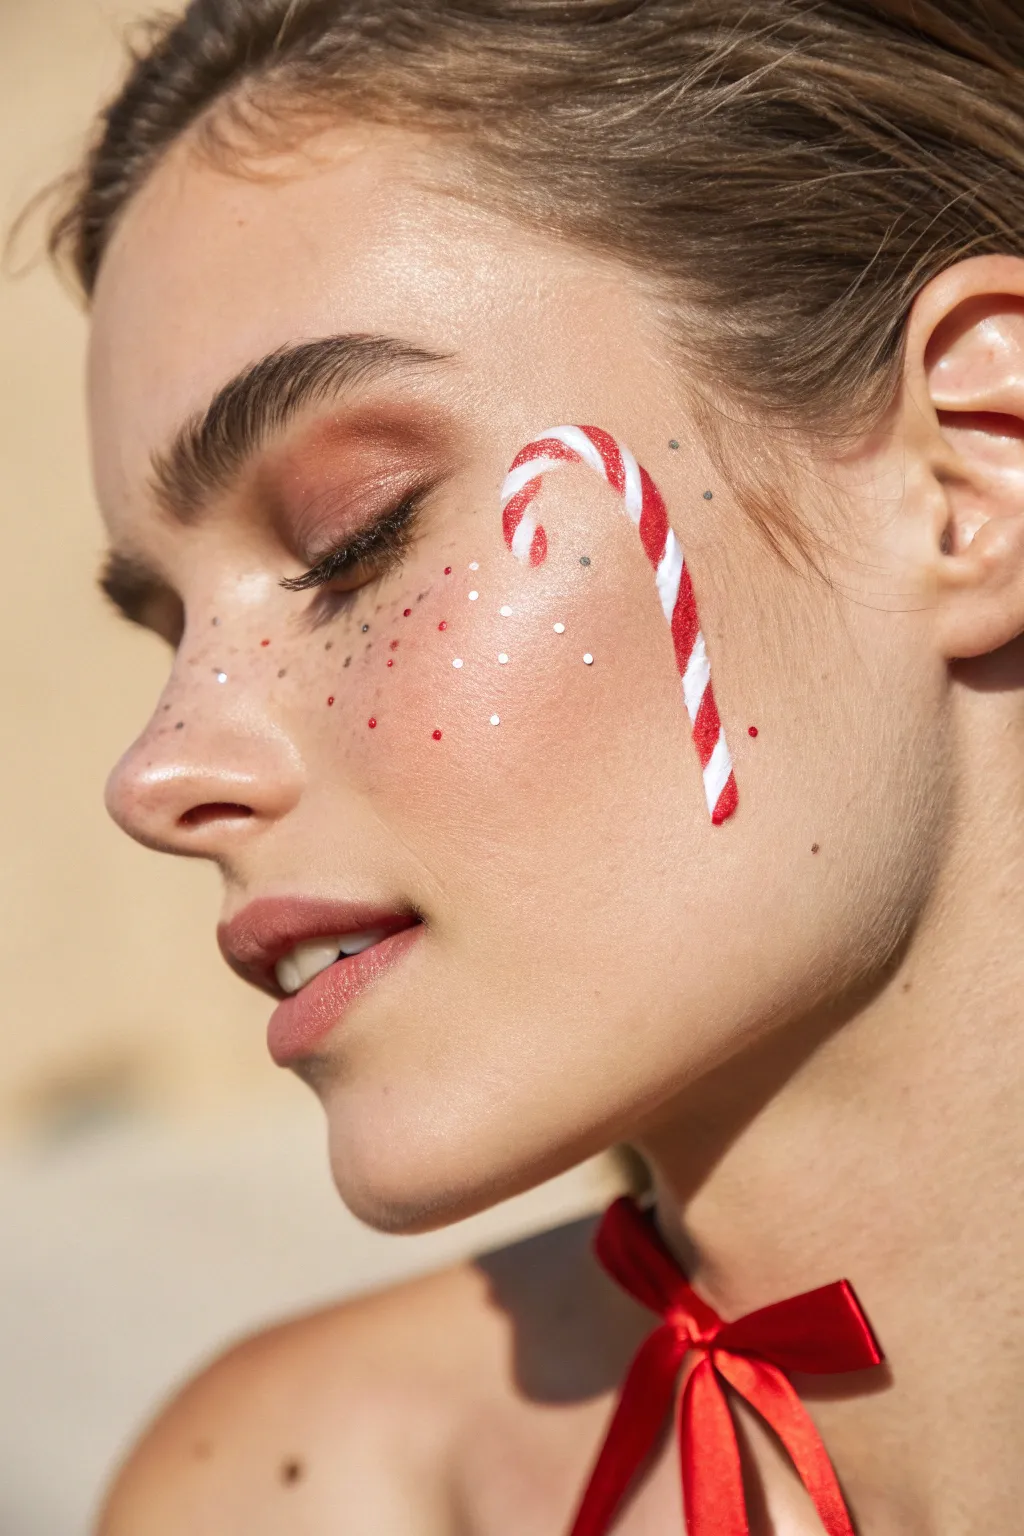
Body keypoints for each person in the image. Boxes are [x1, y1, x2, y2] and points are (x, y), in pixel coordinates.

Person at [47, 0, 1024, 1530]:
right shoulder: (298, 1495)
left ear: (974, 465)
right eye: (169, 624)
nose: (157, 773)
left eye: (350, 541)